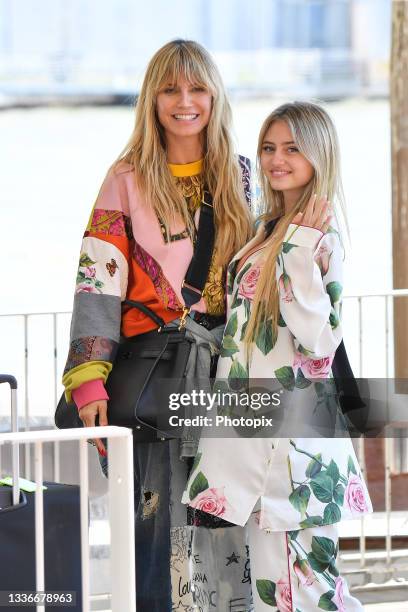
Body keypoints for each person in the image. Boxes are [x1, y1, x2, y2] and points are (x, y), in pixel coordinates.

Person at [61, 39, 254, 611]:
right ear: (152, 99)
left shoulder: (243, 177)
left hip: (231, 375)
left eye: (196, 87)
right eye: (170, 88)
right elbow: (97, 278)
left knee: (226, 514)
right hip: (159, 374)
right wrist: (89, 377)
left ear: (214, 96)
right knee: (161, 517)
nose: (184, 101)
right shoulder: (125, 179)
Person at [182, 101, 373, 611]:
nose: (276, 159)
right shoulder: (267, 228)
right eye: (268, 147)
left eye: (292, 148)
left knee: (308, 591)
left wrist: (298, 250)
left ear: (318, 154)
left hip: (292, 450)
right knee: (274, 590)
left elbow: (318, 346)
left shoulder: (317, 236)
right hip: (251, 441)